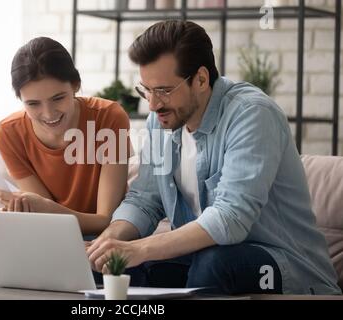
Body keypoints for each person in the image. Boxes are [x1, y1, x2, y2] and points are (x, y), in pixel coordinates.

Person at [87, 20, 342, 295]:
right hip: (201, 258)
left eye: (164, 90)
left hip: (289, 268)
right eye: (146, 90)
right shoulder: (161, 121)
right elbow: (145, 200)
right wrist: (110, 241)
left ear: (200, 79)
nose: (152, 104)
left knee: (216, 264)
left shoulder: (252, 114)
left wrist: (141, 248)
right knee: (117, 265)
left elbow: (230, 217)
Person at [0, 37, 131, 236]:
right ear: (20, 99)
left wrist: (43, 210)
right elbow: (46, 218)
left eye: (58, 98)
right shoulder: (8, 133)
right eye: (33, 104)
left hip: (104, 240)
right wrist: (25, 209)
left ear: (75, 85)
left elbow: (105, 220)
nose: (48, 114)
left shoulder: (108, 118)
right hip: (52, 237)